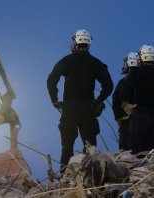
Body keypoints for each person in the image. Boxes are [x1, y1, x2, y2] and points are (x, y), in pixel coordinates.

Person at [47, 29, 113, 172]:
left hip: (69, 109)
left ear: (76, 43)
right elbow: (108, 85)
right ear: (88, 44)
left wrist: (54, 100)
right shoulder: (96, 63)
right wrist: (99, 100)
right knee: (91, 149)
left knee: (67, 147)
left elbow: (51, 80)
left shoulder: (67, 60)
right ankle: (93, 179)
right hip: (88, 110)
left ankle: (65, 179)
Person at [119, 44, 154, 154]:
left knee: (135, 155)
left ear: (141, 57)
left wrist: (130, 109)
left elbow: (123, 94)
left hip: (138, 118)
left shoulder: (133, 75)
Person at [112, 52, 139, 150]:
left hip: (127, 123)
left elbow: (116, 100)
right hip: (147, 123)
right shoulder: (147, 80)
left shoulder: (124, 82)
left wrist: (121, 118)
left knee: (127, 156)